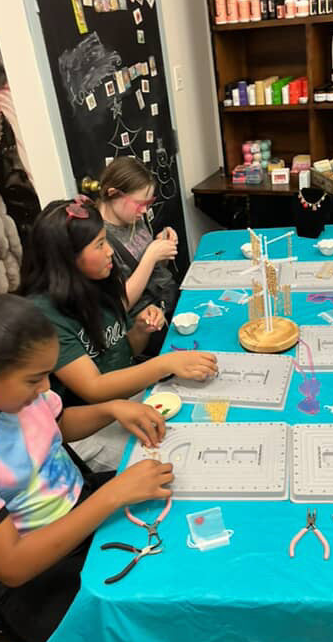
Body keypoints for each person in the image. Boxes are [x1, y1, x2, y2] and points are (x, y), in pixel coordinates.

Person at [0, 293, 174, 642]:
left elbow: (54, 425)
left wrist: (112, 409)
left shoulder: (11, 395)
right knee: (146, 634)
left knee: (175, 515)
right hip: (39, 575)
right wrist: (112, 496)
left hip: (82, 510)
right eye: (34, 380)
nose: (45, 388)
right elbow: (12, 565)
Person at [20, 197, 217, 470]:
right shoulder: (45, 315)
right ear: (67, 257)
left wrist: (140, 330)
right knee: (179, 461)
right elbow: (94, 388)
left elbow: (123, 352)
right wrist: (163, 364)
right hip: (87, 427)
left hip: (124, 400)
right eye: (99, 244)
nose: (110, 251)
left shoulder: (98, 282)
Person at [97, 157, 179, 324]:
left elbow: (155, 271)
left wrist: (162, 249)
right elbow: (119, 306)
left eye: (148, 203)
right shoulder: (99, 238)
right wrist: (151, 256)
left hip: (167, 303)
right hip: (144, 323)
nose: (144, 210)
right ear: (113, 193)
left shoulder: (134, 218)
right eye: (139, 203)